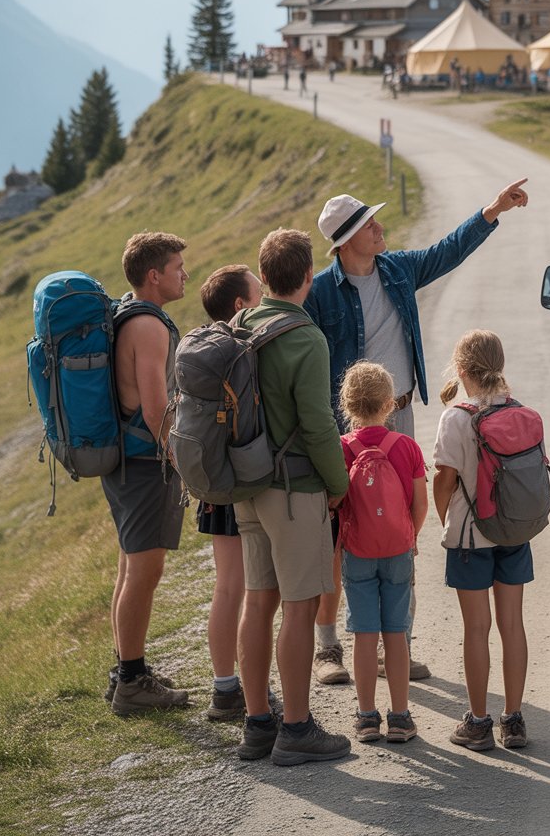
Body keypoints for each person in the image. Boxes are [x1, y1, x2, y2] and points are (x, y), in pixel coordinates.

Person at [304, 178, 530, 684]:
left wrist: (494, 209)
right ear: (346, 241)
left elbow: (447, 251)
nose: (379, 227)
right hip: (347, 425)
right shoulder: (320, 292)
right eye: (369, 224)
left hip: (400, 416)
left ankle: (397, 645)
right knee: (339, 533)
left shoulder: (397, 269)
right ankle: (328, 648)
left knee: (401, 527)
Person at [233, 228, 351, 766]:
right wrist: (338, 484)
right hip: (294, 489)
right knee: (300, 608)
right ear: (308, 277)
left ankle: (258, 723)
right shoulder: (306, 338)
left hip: (247, 484)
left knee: (258, 601)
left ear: (262, 277)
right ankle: (298, 729)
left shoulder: (239, 325)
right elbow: (319, 425)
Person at [104, 232, 191, 716]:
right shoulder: (150, 326)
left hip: (124, 460)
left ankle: (125, 671)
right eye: (178, 268)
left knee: (129, 567)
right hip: (143, 464)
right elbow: (158, 412)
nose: (185, 275)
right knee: (145, 570)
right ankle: (132, 682)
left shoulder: (126, 314)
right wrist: (186, 465)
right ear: (154, 275)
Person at [433, 330, 531, 751]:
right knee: (512, 625)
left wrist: (445, 521)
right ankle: (514, 720)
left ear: (460, 369)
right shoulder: (519, 411)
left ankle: (478, 723)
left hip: (471, 538)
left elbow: (444, 480)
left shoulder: (456, 418)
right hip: (513, 531)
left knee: (476, 628)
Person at [197, 264, 279, 722]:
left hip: (212, 478)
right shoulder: (241, 348)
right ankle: (251, 692)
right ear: (239, 305)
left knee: (226, 586)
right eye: (258, 292)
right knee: (249, 589)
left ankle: (224, 688)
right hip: (239, 476)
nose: (264, 297)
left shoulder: (203, 348)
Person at [338, 362, 428, 743]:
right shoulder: (406, 447)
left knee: (364, 634)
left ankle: (366, 717)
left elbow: (335, 500)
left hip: (358, 551)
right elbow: (420, 504)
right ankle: (400, 717)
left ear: (347, 405)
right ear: (390, 404)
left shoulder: (343, 448)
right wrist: (410, 536)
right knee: (396, 632)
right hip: (397, 550)